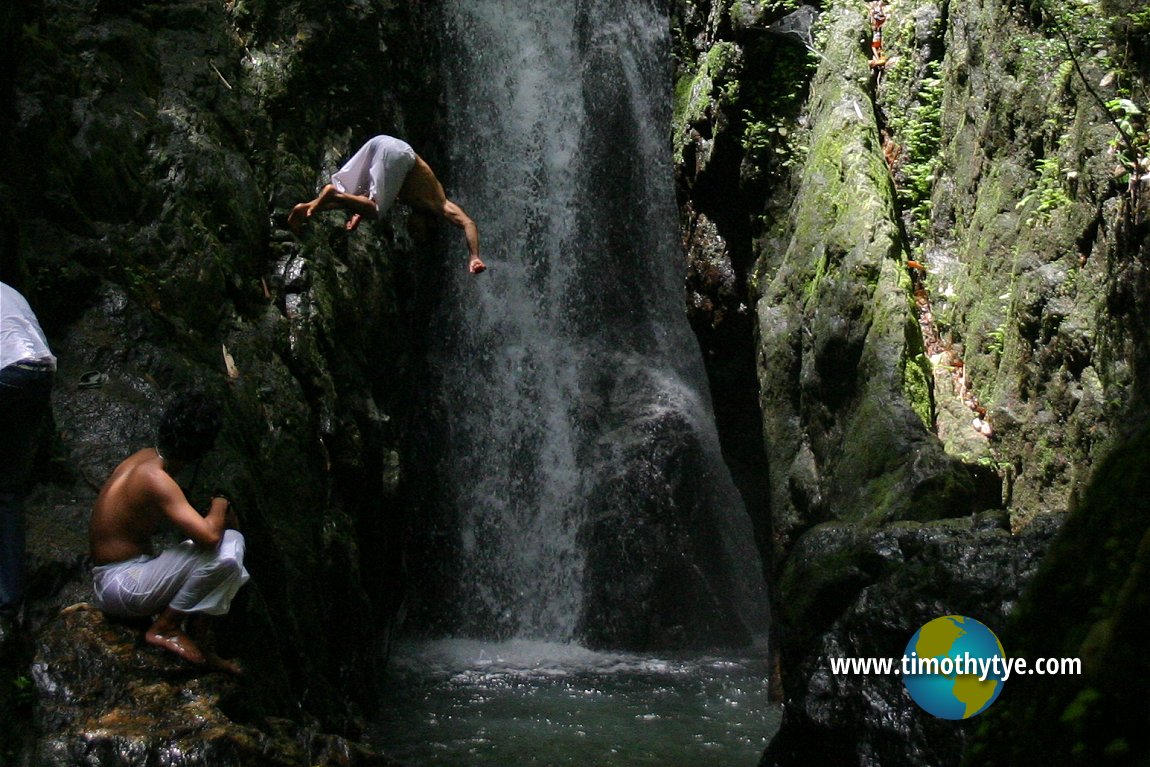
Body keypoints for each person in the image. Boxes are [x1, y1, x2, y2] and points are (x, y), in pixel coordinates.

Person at [88, 390, 248, 674]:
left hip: (115, 578)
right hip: (121, 584)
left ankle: (200, 641)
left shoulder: (145, 458)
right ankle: (167, 626)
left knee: (221, 550)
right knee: (227, 547)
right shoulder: (156, 479)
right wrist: (221, 503)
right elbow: (209, 536)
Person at [289, 134, 486, 275]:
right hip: (401, 154)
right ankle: (333, 193)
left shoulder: (407, 197)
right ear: (431, 224)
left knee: (354, 197)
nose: (412, 231)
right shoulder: (439, 203)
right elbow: (468, 223)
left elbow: (373, 192)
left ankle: (306, 208)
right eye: (418, 232)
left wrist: (358, 213)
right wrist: (474, 256)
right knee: (375, 211)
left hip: (381, 142)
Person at [0, 282, 56, 631]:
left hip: (8, 372)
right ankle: (8, 600)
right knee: (6, 490)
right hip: (40, 370)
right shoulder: (9, 291)